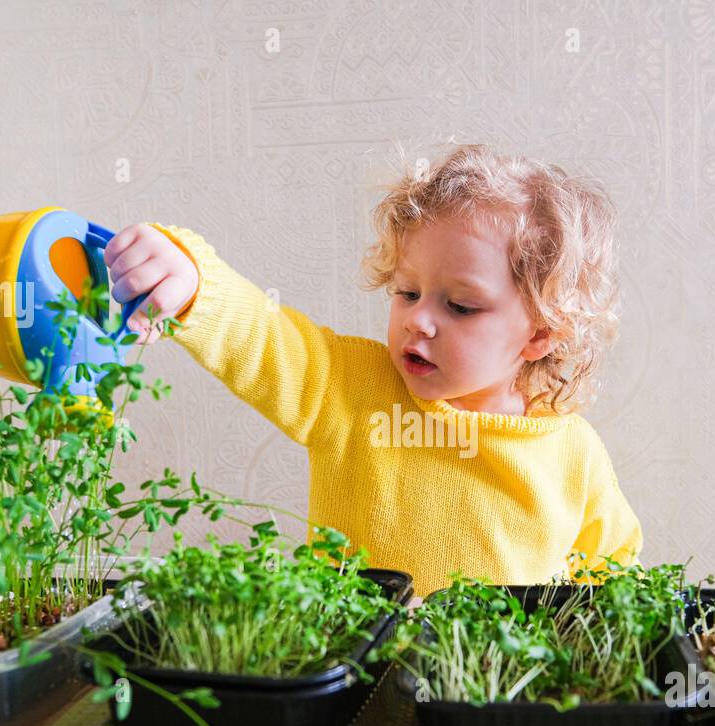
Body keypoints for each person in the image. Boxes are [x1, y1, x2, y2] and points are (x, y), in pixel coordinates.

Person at [102, 143, 642, 598]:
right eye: (407, 293)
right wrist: (195, 280)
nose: (418, 321)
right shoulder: (350, 388)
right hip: (354, 681)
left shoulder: (572, 451)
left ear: (541, 334)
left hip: (489, 702)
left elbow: (614, 571)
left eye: (460, 306)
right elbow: (265, 339)